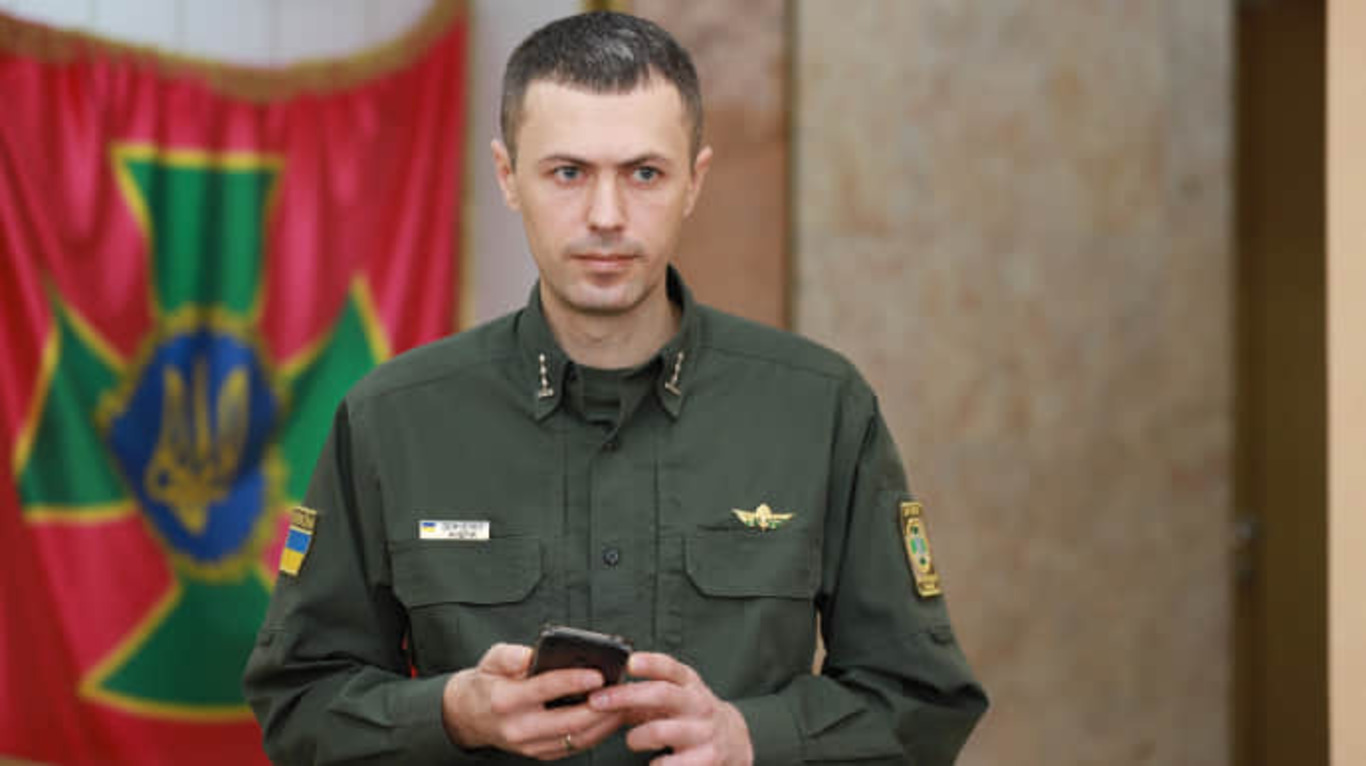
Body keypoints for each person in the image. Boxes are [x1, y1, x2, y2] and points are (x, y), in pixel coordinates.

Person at [243, 11, 987, 765]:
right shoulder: (393, 420)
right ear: (508, 177)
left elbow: (922, 699)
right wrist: (453, 714)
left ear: (694, 181)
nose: (606, 217)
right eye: (568, 173)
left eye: (645, 174)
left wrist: (749, 738)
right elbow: (299, 704)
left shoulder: (819, 408)